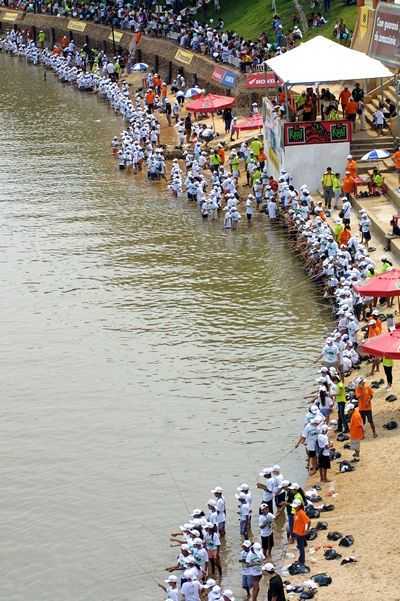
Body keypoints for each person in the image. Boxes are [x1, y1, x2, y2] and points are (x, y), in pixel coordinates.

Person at [292, 500, 310, 565]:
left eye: (295, 507)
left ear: (299, 506)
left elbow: (308, 521)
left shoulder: (301, 512)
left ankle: (302, 561)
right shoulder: (296, 512)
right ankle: (301, 559)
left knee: (301, 547)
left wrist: (306, 530)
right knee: (300, 546)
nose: (294, 508)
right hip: (297, 532)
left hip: (300, 533)